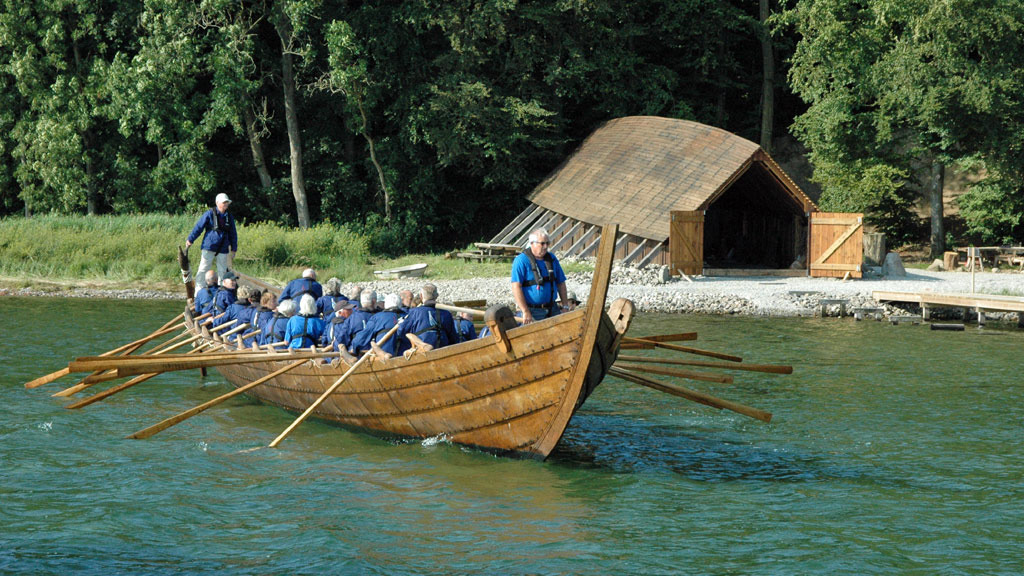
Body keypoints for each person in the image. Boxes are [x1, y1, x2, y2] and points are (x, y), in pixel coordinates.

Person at [511, 228, 570, 324]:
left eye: (548, 243)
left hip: (553, 309)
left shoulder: (552, 258)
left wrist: (565, 306)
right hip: (533, 311)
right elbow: (516, 287)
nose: (546, 246)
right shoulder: (521, 260)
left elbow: (561, 283)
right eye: (542, 243)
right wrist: (525, 311)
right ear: (532, 243)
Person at [186, 193, 238, 290]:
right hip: (209, 246)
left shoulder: (229, 217)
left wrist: (234, 249)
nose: (226, 204)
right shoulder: (209, 214)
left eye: (227, 202)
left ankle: (221, 293)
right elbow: (199, 227)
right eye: (224, 202)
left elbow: (233, 234)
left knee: (222, 271)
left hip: (223, 248)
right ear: (217, 203)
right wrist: (190, 239)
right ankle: (199, 292)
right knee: (203, 269)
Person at [395, 284, 457, 355]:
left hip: (422, 353)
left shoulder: (414, 312)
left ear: (421, 296)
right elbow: (453, 338)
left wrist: (400, 323)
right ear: (436, 296)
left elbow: (401, 331)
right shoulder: (446, 313)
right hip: (442, 350)